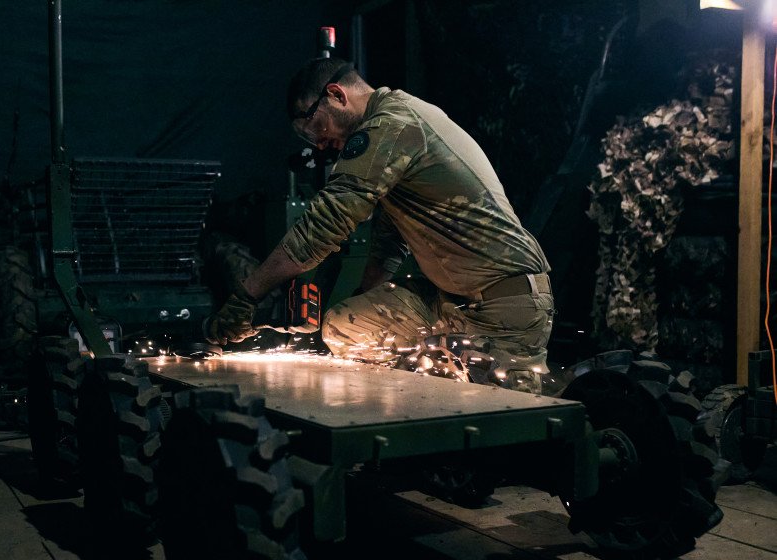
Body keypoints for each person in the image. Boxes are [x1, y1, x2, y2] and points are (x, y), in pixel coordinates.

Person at [205, 57, 554, 393]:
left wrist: (246, 296)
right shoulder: (396, 127)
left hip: (505, 308)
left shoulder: (393, 123)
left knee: (503, 426)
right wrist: (364, 297)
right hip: (450, 302)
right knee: (346, 326)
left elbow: (322, 227)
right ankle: (436, 375)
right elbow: (390, 241)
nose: (322, 145)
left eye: (317, 129)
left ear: (337, 95)